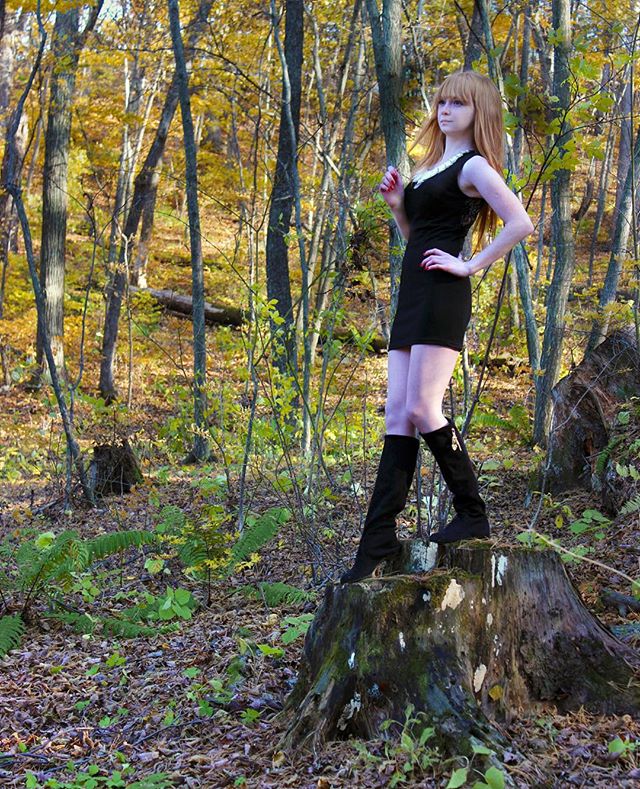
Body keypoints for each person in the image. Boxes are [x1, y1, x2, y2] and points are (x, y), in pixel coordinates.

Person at [341, 71, 534, 584]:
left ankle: (472, 512)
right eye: (442, 102)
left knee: (423, 408)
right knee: (397, 415)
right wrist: (398, 207)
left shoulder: (474, 166)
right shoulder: (431, 167)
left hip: (442, 295)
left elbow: (521, 222)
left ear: (479, 112)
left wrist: (469, 265)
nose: (446, 110)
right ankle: (377, 540)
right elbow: (418, 237)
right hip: (414, 294)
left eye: (459, 104)